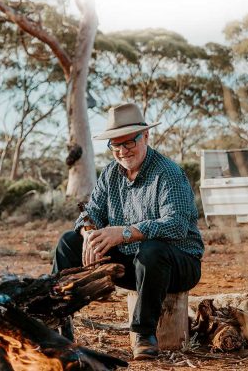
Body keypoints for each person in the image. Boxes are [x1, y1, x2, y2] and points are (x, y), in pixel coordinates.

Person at [52, 102, 204, 360]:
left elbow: (176, 225)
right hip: (132, 265)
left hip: (177, 264)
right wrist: (89, 233)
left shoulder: (169, 174)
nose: (122, 151)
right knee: (68, 241)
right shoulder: (111, 173)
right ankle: (59, 326)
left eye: (129, 143)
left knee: (152, 250)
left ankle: (144, 335)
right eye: (115, 145)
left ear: (145, 136)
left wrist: (125, 232)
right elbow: (90, 213)